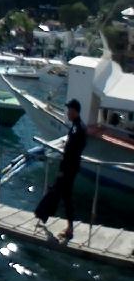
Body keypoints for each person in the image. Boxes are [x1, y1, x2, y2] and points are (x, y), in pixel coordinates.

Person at [36, 99, 87, 240]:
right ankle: (45, 217)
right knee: (64, 195)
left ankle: (43, 215)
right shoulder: (79, 127)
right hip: (72, 167)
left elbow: (71, 152)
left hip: (69, 168)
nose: (67, 113)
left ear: (75, 111)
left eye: (69, 111)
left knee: (59, 193)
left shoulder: (77, 129)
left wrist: (63, 169)